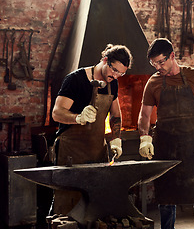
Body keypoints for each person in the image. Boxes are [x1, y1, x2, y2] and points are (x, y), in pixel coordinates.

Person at [138, 38, 194, 229]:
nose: (158, 67)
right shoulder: (153, 83)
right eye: (154, 63)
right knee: (166, 199)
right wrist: (144, 138)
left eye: (161, 62)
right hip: (166, 147)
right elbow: (144, 114)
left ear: (172, 56)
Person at [51, 44, 133, 214]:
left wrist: (116, 139)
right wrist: (77, 117)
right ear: (105, 60)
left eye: (121, 73)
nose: (115, 76)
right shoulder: (75, 79)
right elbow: (57, 113)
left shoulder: (112, 84)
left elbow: (115, 114)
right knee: (68, 204)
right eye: (114, 70)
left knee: (95, 206)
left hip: (96, 151)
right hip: (71, 151)